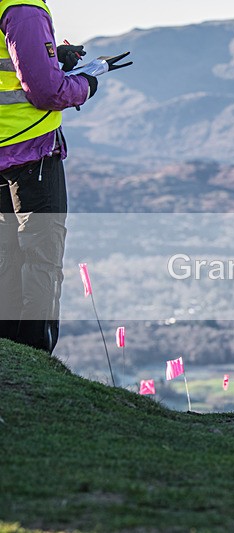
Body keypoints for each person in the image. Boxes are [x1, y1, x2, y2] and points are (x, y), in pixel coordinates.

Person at [0, 0, 99, 353]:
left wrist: (52, 58)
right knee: (40, 259)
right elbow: (45, 91)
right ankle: (34, 353)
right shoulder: (23, 8)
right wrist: (85, 84)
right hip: (31, 155)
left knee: (6, 261)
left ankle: (10, 350)